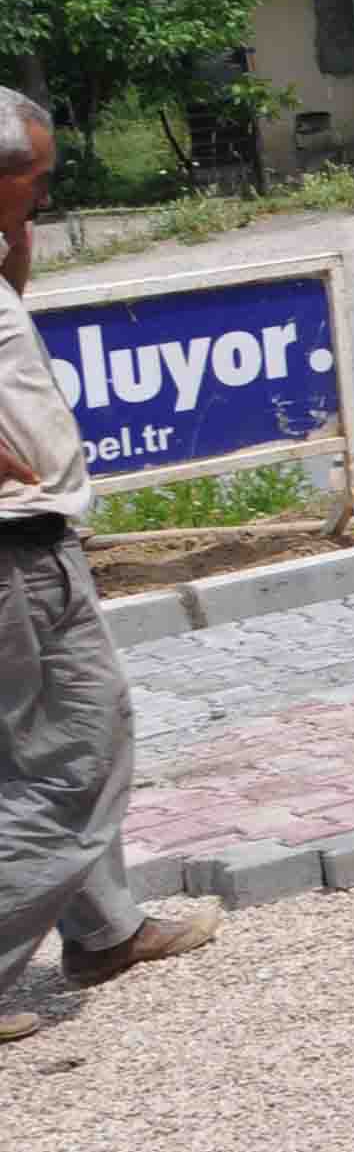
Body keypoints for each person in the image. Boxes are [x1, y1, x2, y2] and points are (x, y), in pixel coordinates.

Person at [0, 92, 216, 1041]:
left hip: (36, 546)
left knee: (68, 736)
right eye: (36, 181)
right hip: (11, 555)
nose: (47, 197)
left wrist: (13, 238)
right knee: (72, 761)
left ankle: (104, 929)